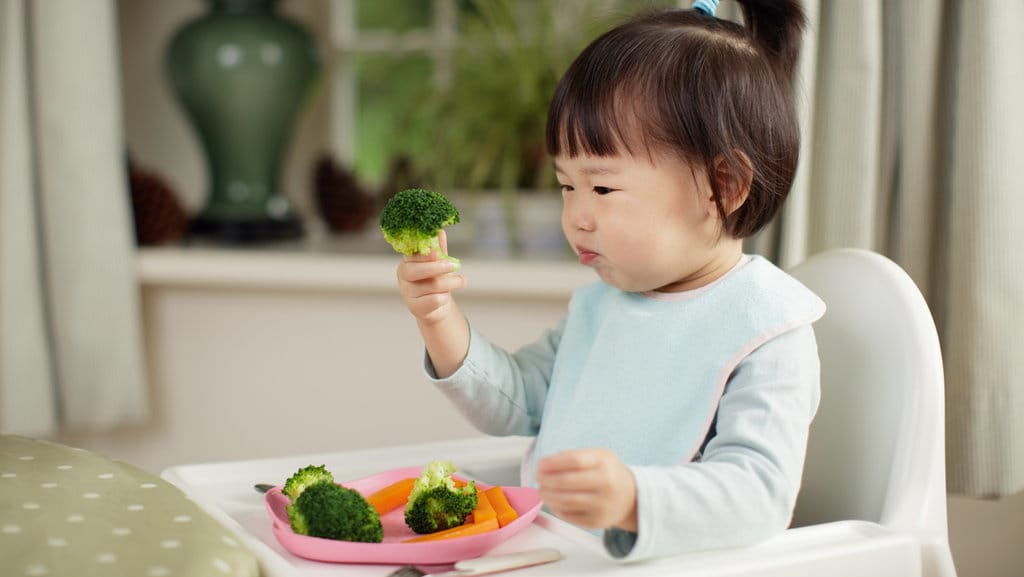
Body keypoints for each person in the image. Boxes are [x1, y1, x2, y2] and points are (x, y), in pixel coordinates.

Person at [394, 0, 822, 562]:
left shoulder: (768, 329)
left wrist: (634, 500)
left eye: (602, 189)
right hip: (559, 554)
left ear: (725, 186)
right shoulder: (603, 305)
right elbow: (516, 403)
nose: (576, 216)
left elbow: (760, 494)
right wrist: (438, 317)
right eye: (566, 186)